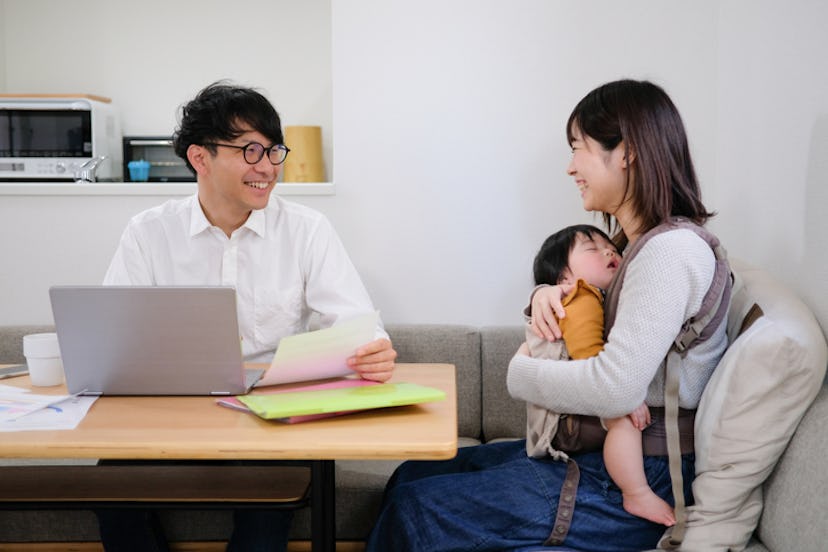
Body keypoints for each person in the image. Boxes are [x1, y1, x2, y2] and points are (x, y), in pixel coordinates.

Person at [366, 79, 728, 552]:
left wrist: (519, 372)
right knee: (411, 474)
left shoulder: (671, 253)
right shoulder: (633, 248)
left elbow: (616, 388)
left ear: (628, 153)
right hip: (605, 454)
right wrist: (543, 293)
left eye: (578, 148)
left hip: (644, 473)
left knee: (415, 508)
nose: (570, 166)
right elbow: (581, 292)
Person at [95, 81, 397, 552]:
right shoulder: (149, 233)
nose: (268, 168)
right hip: (172, 414)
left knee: (265, 509)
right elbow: (113, 340)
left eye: (273, 151)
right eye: (250, 151)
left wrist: (369, 350)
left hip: (269, 419)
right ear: (200, 158)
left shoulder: (306, 229)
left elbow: (355, 322)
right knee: (110, 485)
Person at [525, 224, 675, 526]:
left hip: (566, 409)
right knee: (622, 416)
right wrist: (625, 396)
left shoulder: (595, 297)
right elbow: (587, 352)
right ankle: (636, 492)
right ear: (564, 278)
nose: (609, 250)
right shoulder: (582, 297)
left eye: (610, 246)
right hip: (567, 420)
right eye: (593, 249)